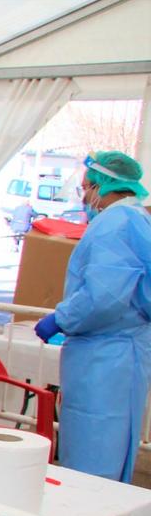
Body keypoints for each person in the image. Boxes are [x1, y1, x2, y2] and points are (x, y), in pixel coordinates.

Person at [34, 151, 151, 483]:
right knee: (111, 448)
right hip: (119, 352)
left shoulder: (114, 224)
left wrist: (62, 318)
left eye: (87, 187)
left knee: (93, 457)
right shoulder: (135, 219)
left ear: (105, 185)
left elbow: (104, 296)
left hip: (106, 359)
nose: (84, 196)